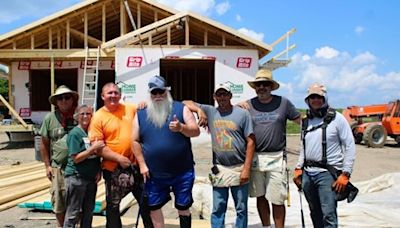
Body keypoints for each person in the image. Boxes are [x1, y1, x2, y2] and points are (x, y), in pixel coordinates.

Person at [183, 83, 255, 228]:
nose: (222, 97)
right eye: (219, 94)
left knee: (241, 208)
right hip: (220, 168)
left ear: (230, 96)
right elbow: (185, 102)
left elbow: (251, 142)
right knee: (218, 207)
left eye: (225, 94)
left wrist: (247, 168)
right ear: (214, 97)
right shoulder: (210, 111)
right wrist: (199, 110)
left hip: (239, 168)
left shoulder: (242, 114)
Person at [132, 75, 200, 228]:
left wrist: (181, 128)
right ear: (150, 94)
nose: (158, 96)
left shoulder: (181, 108)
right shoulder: (141, 113)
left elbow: (195, 131)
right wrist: (142, 165)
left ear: (166, 92)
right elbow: (134, 141)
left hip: (182, 172)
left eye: (160, 92)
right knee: (154, 207)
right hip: (154, 174)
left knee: (183, 207)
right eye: (154, 93)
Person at [238, 69, 301, 228]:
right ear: (254, 87)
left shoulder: (284, 103)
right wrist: (236, 105)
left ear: (271, 86)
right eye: (259, 84)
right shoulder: (248, 105)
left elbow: (301, 121)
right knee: (260, 196)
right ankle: (266, 226)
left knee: (278, 198)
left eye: (265, 84)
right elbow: (230, 115)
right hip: (255, 157)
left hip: (277, 157)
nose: (262, 87)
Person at [88, 83, 153, 228]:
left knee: (147, 203)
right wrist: (118, 158)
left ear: (120, 95)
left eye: (116, 93)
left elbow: (152, 112)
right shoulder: (98, 117)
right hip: (114, 169)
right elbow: (98, 147)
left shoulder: (130, 108)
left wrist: (144, 104)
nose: (113, 96)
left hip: (137, 166)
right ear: (102, 96)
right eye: (109, 93)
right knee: (113, 206)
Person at [293, 83, 356, 228]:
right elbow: (303, 146)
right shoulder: (306, 121)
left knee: (328, 214)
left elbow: (350, 146)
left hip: (327, 175)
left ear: (325, 98)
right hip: (308, 174)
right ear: (307, 100)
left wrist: (345, 174)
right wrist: (298, 167)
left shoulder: (337, 119)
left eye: (319, 97)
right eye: (312, 97)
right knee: (314, 212)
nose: (315, 100)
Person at [39, 85, 79, 227]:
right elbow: (44, 143)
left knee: (76, 202)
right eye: (60, 98)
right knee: (59, 201)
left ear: (72, 99)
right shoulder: (49, 118)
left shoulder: (80, 116)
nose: (63, 100)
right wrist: (47, 166)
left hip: (78, 168)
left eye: (67, 97)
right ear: (56, 101)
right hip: (58, 168)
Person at [63, 105, 104, 228]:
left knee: (88, 212)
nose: (86, 116)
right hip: (77, 177)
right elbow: (75, 158)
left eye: (88, 114)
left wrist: (98, 171)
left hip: (91, 178)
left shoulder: (93, 132)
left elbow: (97, 156)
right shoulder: (75, 134)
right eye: (82, 114)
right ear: (77, 117)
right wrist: (92, 149)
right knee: (73, 213)